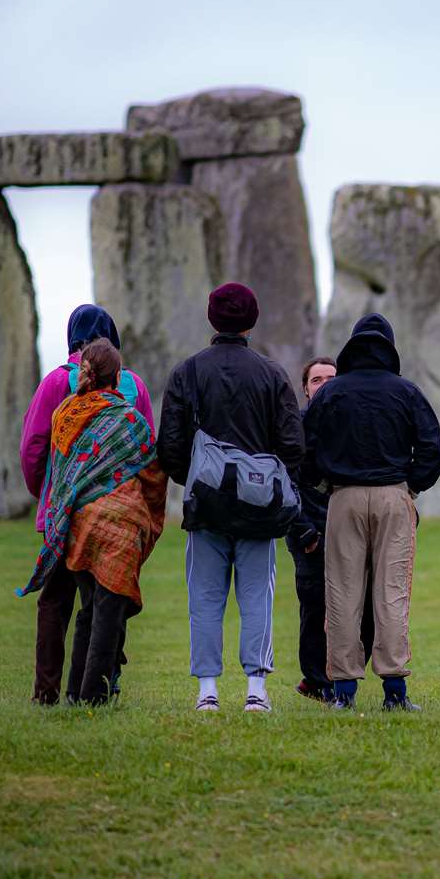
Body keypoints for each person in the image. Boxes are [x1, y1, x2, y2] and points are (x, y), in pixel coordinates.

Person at [157, 283, 302, 713]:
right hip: (259, 503)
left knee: (204, 597)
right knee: (258, 594)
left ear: (211, 318)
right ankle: (256, 689)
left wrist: (197, 478)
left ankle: (208, 692)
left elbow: (169, 444)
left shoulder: (187, 372)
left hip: (206, 503)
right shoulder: (271, 373)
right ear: (251, 320)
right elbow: (293, 444)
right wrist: (271, 478)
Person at [303, 313, 440, 711]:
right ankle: (395, 693)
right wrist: (411, 485)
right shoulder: (407, 392)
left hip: (344, 497)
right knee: (392, 594)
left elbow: (304, 448)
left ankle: (344, 693)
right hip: (392, 495)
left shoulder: (332, 393)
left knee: (342, 594)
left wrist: (322, 485)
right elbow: (433, 450)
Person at [17, 339, 165, 706]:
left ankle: (73, 693)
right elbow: (153, 471)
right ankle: (94, 695)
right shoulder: (128, 418)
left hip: (75, 524)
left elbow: (61, 470)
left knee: (88, 608)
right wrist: (149, 514)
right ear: (117, 376)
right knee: (107, 610)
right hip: (118, 525)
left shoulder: (65, 414)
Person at [287, 355, 375, 702]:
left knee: (364, 603)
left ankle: (345, 668)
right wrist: (304, 530)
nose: (324, 385)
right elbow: (287, 482)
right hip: (310, 526)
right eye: (316, 380)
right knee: (315, 605)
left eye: (330, 378)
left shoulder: (352, 423)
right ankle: (316, 680)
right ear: (306, 390)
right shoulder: (295, 428)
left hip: (350, 525)